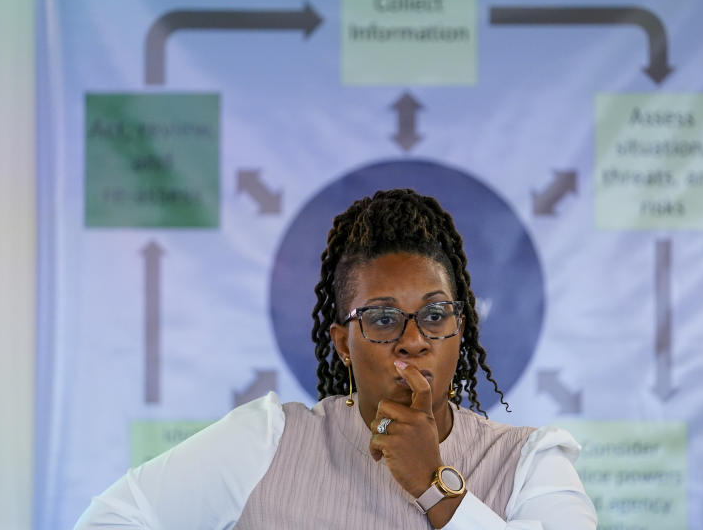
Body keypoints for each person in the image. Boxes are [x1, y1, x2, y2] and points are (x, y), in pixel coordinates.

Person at [75, 188, 597, 529]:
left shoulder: (530, 462)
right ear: (343, 342)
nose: (414, 339)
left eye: (435, 314)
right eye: (384, 318)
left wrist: (434, 488)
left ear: (461, 327)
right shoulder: (268, 443)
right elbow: (113, 519)